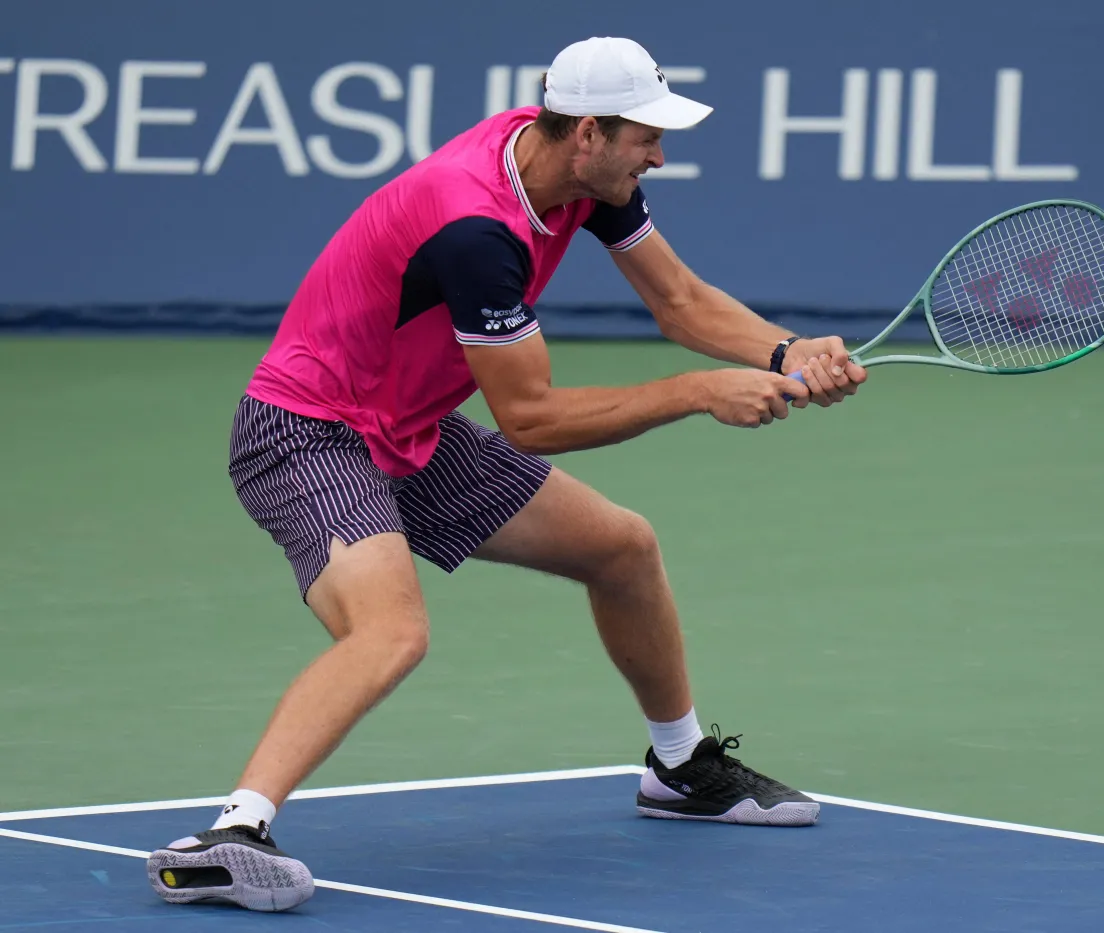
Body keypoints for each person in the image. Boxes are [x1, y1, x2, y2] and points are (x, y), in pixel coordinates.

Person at [146, 36, 866, 913]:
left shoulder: (576, 173)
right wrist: (697, 392)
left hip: (408, 428)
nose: (661, 156)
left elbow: (678, 300)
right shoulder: (476, 228)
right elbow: (529, 419)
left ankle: (678, 768)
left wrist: (786, 349)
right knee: (391, 632)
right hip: (310, 432)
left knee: (622, 548)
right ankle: (232, 833)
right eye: (647, 137)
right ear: (590, 132)